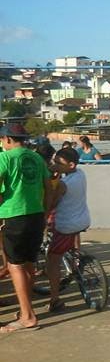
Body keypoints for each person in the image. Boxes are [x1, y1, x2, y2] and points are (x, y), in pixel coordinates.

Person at [0, 123, 53, 333]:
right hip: (36, 215)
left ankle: (28, 317)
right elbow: (48, 188)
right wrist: (45, 213)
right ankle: (25, 311)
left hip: (14, 216)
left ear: (7, 139)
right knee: (29, 265)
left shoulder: (5, 158)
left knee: (15, 266)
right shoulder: (37, 158)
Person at [44, 146, 91, 313]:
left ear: (71, 165)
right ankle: (74, 265)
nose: (55, 165)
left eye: (59, 163)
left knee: (52, 260)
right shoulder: (80, 174)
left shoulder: (64, 184)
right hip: (82, 220)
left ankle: (55, 299)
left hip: (66, 225)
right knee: (69, 247)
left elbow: (52, 203)